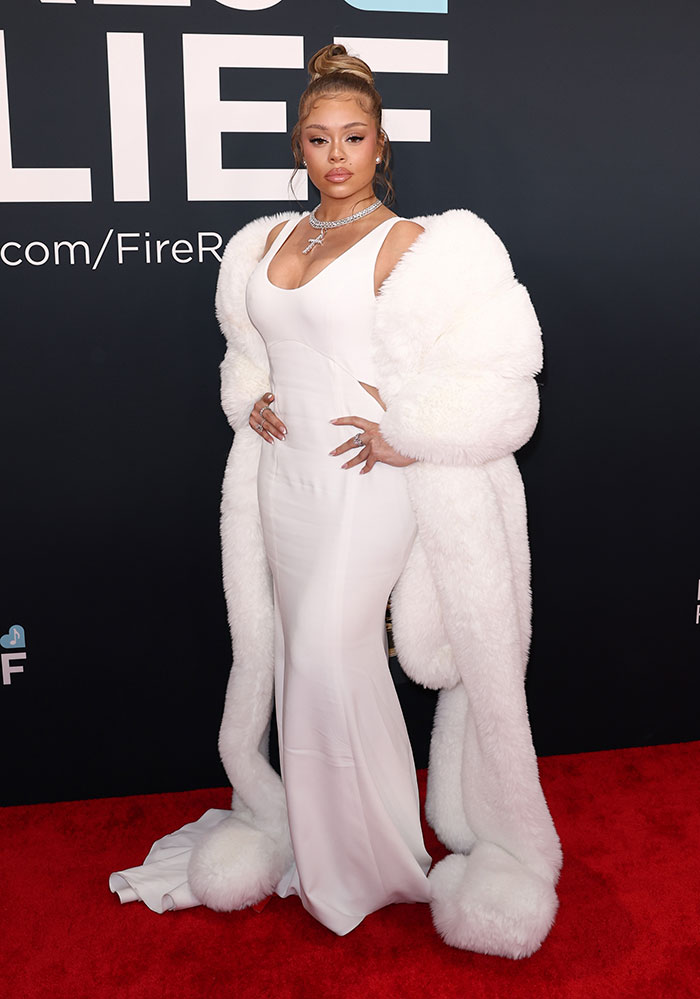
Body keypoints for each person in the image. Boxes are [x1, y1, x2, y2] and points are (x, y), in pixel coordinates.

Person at [110, 43, 562, 959]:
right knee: (307, 666)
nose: (337, 154)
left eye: (354, 137)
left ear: (382, 141)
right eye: (319, 139)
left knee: (326, 651)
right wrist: (255, 394)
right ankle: (331, 848)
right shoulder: (269, 241)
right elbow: (251, 350)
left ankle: (377, 859)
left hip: (368, 484)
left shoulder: (418, 245)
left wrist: (414, 432)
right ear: (299, 146)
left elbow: (502, 382)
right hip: (286, 484)